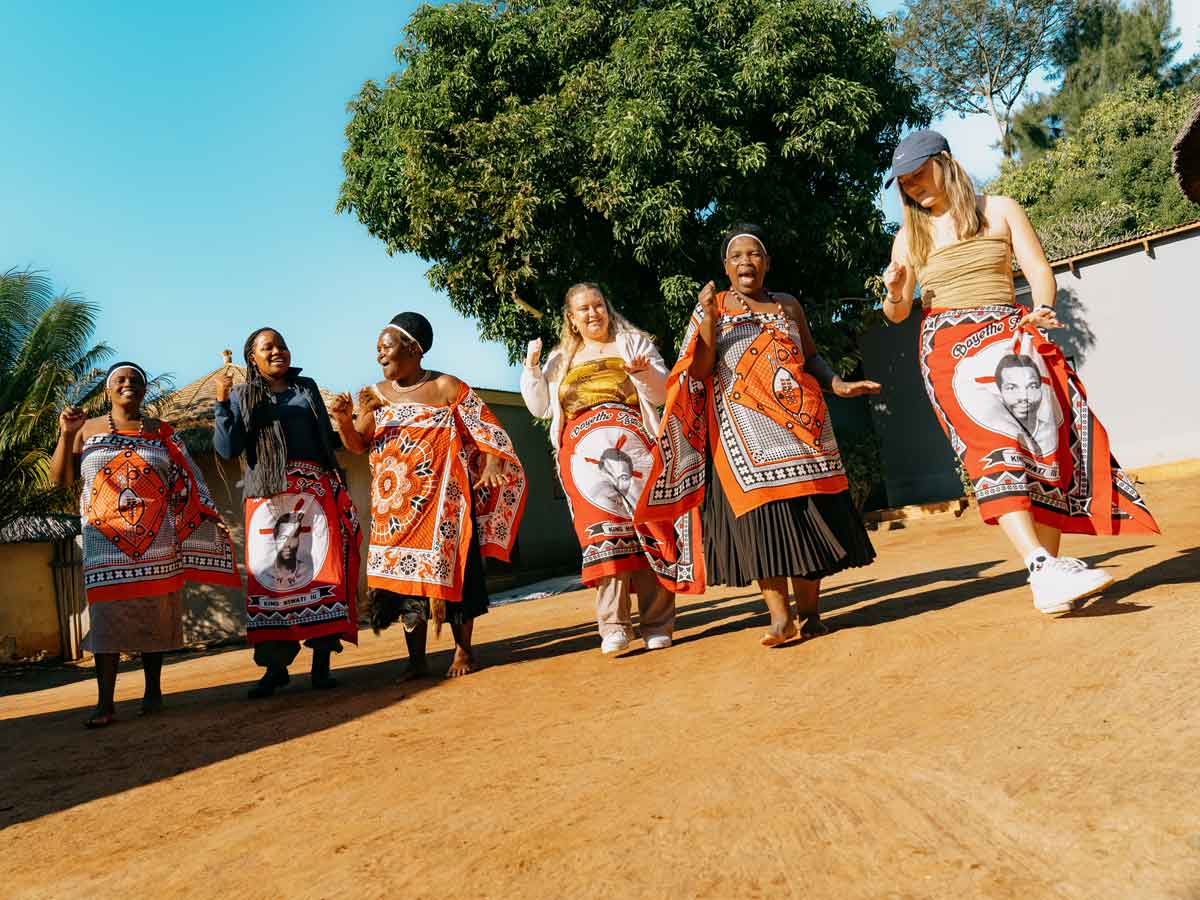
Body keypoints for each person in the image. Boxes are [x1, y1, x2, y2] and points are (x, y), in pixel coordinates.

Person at [880, 129, 1160, 614]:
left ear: (945, 162)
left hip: (1012, 337)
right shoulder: (909, 236)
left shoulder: (1002, 209)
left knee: (1042, 448)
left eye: (918, 174)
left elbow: (1037, 270)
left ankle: (1047, 576)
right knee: (995, 447)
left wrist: (1043, 307)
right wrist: (895, 290)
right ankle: (1037, 564)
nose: (913, 187)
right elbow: (899, 313)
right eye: (904, 182)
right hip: (949, 349)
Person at [636, 226, 879, 647]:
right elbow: (698, 370)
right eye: (738, 256)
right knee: (764, 526)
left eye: (755, 255)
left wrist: (837, 384)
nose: (747, 262)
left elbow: (812, 356)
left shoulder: (788, 305)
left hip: (803, 429)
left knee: (811, 518)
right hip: (743, 435)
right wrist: (709, 319)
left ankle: (811, 615)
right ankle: (781, 619)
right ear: (726, 267)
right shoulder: (712, 308)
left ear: (767, 263)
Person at [331, 312, 527, 678]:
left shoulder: (446, 388)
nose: (379, 355)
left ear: (414, 348)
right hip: (398, 514)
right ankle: (416, 659)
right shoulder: (374, 395)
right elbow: (358, 444)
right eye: (377, 349)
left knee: (460, 580)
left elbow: (489, 432)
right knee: (406, 591)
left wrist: (489, 464)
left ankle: (463, 652)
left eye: (386, 347)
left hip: (446, 507)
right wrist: (344, 420)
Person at [50, 362, 239, 727]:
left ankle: (153, 691)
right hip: (103, 543)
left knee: (155, 615)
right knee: (107, 621)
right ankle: (105, 703)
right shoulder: (85, 429)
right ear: (108, 389)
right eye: (120, 380)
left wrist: (197, 513)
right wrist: (64, 434)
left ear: (144, 389)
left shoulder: (161, 431)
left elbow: (186, 476)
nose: (128, 385)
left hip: (156, 541)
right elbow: (60, 482)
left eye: (136, 381)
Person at [520, 283, 702, 656]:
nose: (593, 314)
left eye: (598, 305)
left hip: (638, 451)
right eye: (583, 309)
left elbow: (662, 394)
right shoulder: (560, 359)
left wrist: (640, 373)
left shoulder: (633, 343)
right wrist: (531, 368)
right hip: (584, 461)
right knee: (602, 534)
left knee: (650, 528)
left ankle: (656, 624)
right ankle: (615, 626)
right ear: (571, 319)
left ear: (607, 307)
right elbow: (539, 408)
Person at [214, 328, 362, 698]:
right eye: (269, 348)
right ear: (253, 357)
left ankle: (322, 666)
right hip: (268, 501)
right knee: (272, 582)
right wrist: (222, 403)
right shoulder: (242, 395)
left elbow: (325, 439)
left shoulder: (305, 388)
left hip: (315, 494)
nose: (278, 351)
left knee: (322, 574)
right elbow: (228, 448)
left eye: (281, 345)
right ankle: (275, 669)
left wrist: (347, 422)